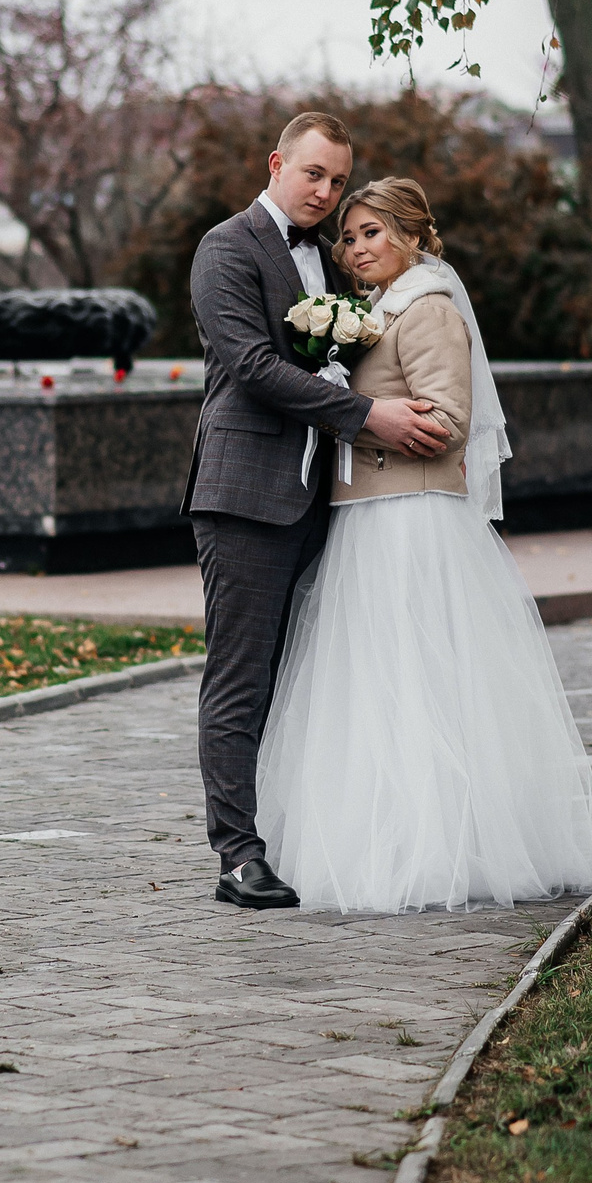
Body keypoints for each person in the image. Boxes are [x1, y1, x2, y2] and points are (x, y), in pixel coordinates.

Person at [254, 178, 592, 912]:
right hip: (369, 517)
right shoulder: (372, 313)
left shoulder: (427, 310)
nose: (355, 248)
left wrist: (359, 417)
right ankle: (385, 837)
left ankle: (443, 847)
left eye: (372, 233)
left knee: (418, 677)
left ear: (413, 236)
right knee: (376, 682)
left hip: (411, 519)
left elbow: (448, 420)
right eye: (349, 237)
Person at [182, 113, 457, 909]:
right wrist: (372, 418)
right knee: (242, 677)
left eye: (337, 181)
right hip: (245, 495)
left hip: (325, 499)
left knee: (308, 677)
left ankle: (300, 834)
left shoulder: (331, 267)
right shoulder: (226, 249)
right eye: (314, 175)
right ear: (276, 163)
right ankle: (237, 853)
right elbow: (257, 367)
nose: (326, 193)